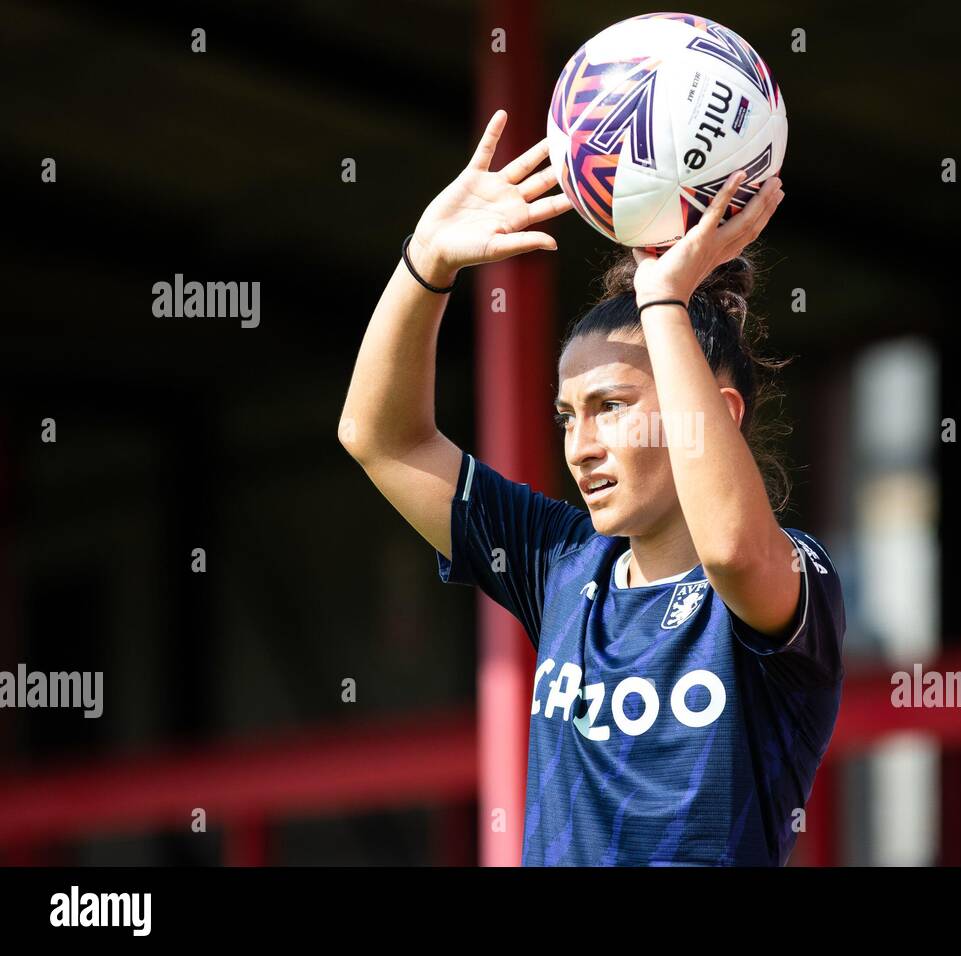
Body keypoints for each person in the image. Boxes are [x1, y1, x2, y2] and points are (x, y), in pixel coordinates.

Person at [340, 109, 844, 866]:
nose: (580, 446)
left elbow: (735, 554)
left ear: (717, 413)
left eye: (611, 408)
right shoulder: (562, 563)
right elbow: (381, 438)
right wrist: (425, 263)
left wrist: (665, 301)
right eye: (566, 416)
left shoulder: (793, 579)